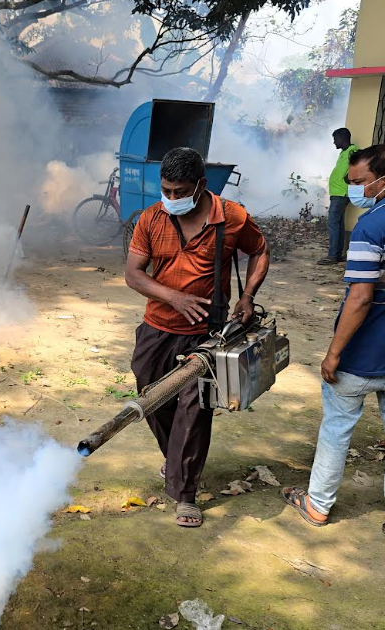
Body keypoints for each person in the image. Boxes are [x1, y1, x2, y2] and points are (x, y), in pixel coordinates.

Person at [282, 144, 385, 538]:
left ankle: (318, 505)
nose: (355, 190)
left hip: (361, 355)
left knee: (337, 427)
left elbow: (360, 297)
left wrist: (333, 353)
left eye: (359, 182)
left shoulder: (370, 227)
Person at [125, 147, 270, 528]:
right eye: (167, 190)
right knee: (152, 397)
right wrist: (173, 296)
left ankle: (185, 494)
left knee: (194, 410)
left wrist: (248, 296)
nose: (172, 199)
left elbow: (259, 251)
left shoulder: (232, 217)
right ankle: (177, 462)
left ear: (201, 185)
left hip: (207, 336)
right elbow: (134, 274)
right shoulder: (150, 218)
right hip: (157, 329)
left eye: (180, 191)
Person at [318, 128, 357, 265]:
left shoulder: (352, 151)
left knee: (333, 223)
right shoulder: (345, 152)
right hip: (338, 192)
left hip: (342, 193)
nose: (334, 142)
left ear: (342, 138)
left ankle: (333, 256)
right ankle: (337, 254)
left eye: (335, 139)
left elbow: (358, 165)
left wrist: (350, 177)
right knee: (338, 223)